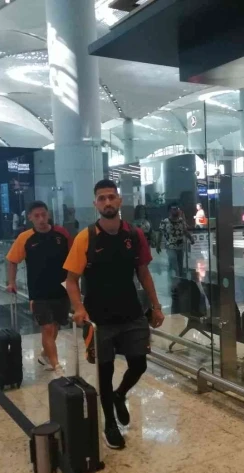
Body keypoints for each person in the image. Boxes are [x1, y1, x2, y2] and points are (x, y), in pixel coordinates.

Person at [64, 179, 165, 450]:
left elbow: (143, 273)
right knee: (105, 372)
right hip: (100, 319)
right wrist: (79, 308)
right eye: (102, 198)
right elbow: (71, 280)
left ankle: (120, 395)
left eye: (111, 197)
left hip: (132, 313)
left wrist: (156, 306)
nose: (107, 202)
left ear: (119, 200)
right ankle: (110, 423)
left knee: (139, 364)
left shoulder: (134, 234)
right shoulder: (86, 238)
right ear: (95, 204)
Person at [7, 201, 71, 371]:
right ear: (30, 217)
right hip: (38, 292)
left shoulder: (62, 234)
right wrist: (12, 282)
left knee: (55, 326)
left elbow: (73, 257)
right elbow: (12, 260)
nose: (41, 219)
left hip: (62, 289)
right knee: (47, 327)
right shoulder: (25, 238)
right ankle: (56, 364)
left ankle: (45, 354)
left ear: (48, 214)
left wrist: (74, 282)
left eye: (43, 215)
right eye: (37, 216)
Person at [157, 203, 195, 285]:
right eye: (174, 209)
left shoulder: (181, 221)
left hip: (180, 246)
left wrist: (191, 238)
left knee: (180, 265)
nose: (176, 211)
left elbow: (185, 231)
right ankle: (173, 281)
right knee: (173, 262)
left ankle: (179, 281)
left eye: (177, 209)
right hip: (170, 246)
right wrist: (158, 245)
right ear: (169, 211)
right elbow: (160, 233)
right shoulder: (165, 222)